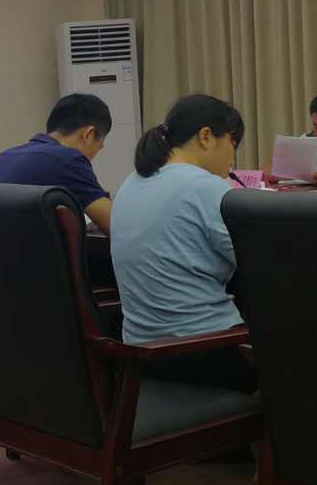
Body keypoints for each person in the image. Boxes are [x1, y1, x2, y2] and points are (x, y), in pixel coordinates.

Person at [109, 94, 254, 391]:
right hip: (202, 352)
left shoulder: (131, 182)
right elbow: (260, 263)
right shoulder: (204, 186)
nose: (233, 158)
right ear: (206, 137)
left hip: (142, 356)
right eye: (233, 143)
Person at [0, 93, 113, 233]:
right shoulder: (69, 160)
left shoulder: (2, 157)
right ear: (89, 135)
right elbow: (118, 227)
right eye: (98, 147)